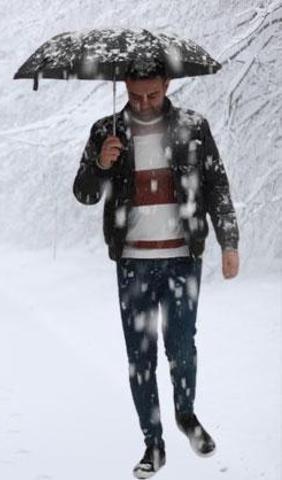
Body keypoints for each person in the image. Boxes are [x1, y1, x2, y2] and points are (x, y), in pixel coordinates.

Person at [73, 60, 239, 479]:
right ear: (123, 87)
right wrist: (101, 165)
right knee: (139, 357)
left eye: (152, 94)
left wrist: (229, 242)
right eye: (134, 96)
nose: (144, 103)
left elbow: (217, 184)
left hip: (183, 258)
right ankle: (153, 442)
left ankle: (185, 414)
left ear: (167, 84)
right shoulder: (105, 131)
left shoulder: (193, 126)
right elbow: (84, 194)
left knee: (182, 347)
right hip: (133, 263)